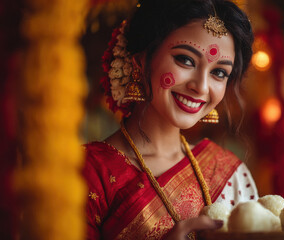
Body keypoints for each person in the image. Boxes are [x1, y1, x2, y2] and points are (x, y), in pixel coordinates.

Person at [83, 0, 258, 239]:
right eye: (185, 60)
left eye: (219, 72)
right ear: (141, 61)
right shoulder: (88, 172)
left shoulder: (229, 173)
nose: (201, 87)